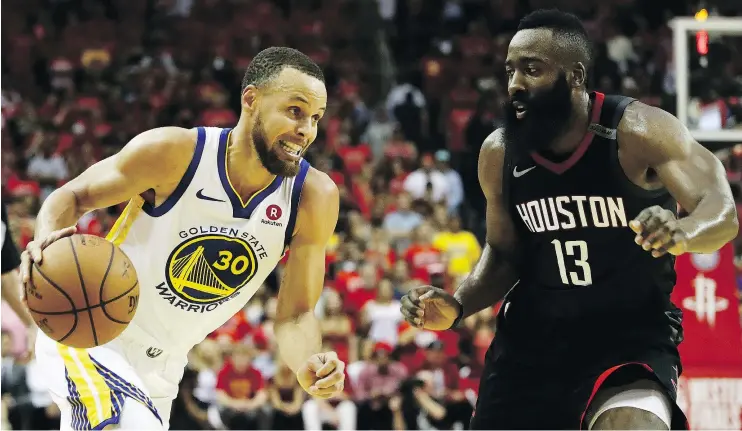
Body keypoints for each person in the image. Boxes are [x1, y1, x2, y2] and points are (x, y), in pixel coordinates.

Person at [400, 9, 738, 431]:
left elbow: (722, 213)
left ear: (575, 75)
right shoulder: (500, 152)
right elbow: (504, 253)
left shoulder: (638, 131)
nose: (515, 84)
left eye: (532, 69)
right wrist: (459, 304)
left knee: (633, 426)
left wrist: (683, 231)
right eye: (510, 71)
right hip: (534, 340)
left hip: (630, 334)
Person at [20, 47, 346, 430]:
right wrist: (44, 239)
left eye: (315, 118)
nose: (306, 129)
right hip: (92, 335)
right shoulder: (176, 153)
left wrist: (307, 359)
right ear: (251, 100)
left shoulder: (313, 197)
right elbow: (74, 196)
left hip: (165, 367)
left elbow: (295, 314)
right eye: (295, 111)